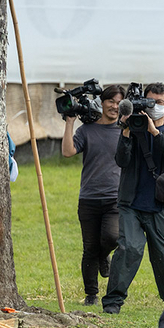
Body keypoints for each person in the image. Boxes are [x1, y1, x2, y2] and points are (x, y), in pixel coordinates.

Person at [102, 83, 164, 314]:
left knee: (163, 253)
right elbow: (121, 160)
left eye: (159, 102)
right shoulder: (132, 128)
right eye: (150, 102)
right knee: (130, 248)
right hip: (131, 203)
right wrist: (127, 131)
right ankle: (112, 302)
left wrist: (155, 132)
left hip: (160, 204)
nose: (155, 106)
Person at [63, 85, 124, 306]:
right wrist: (70, 123)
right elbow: (68, 151)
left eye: (119, 103)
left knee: (112, 237)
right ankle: (91, 294)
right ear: (103, 102)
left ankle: (103, 256)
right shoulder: (87, 130)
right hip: (88, 198)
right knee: (89, 247)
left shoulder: (124, 130)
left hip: (115, 198)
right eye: (111, 101)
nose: (114, 107)